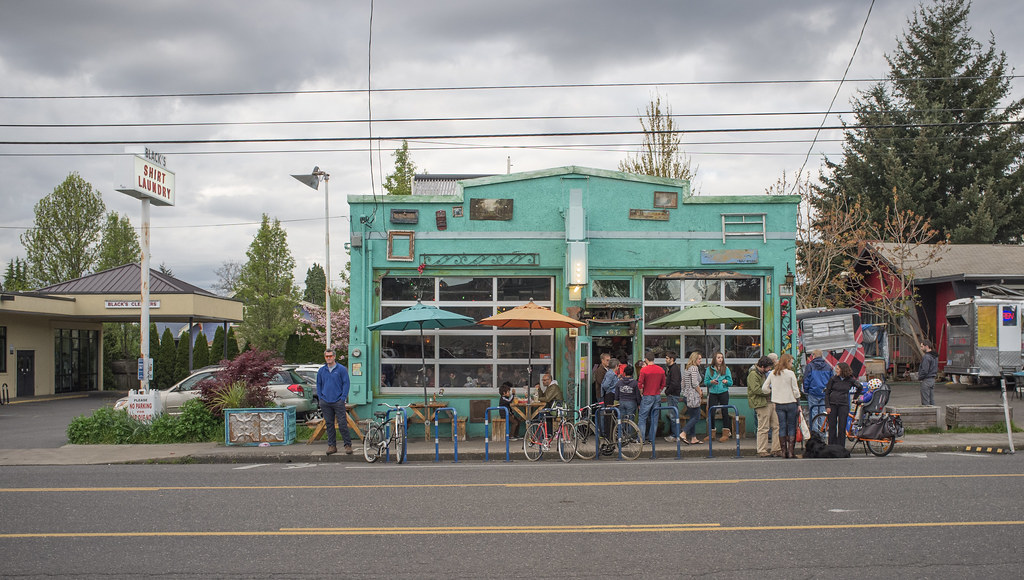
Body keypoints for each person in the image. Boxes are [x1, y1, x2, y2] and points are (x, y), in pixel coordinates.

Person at [763, 353, 801, 459]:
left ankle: (783, 452)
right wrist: (798, 401)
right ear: (787, 362)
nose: (792, 364)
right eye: (791, 362)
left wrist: (773, 392)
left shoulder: (773, 373)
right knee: (792, 426)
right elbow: (796, 391)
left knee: (782, 426)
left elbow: (764, 388)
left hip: (778, 404)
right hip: (791, 402)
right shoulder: (790, 373)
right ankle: (791, 452)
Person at [316, 349, 352, 455]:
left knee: (342, 423)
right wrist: (320, 398)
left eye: (330, 356)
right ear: (325, 357)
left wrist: (343, 398)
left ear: (334, 357)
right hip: (325, 401)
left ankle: (347, 445)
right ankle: (332, 446)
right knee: (329, 424)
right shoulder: (322, 370)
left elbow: (346, 383)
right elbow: (318, 384)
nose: (329, 358)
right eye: (327, 356)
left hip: (338, 401)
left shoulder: (341, 369)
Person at [747, 355, 781, 457]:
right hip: (761, 403)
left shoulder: (763, 373)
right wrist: (769, 392)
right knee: (763, 427)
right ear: (762, 366)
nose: (769, 369)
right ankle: (762, 450)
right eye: (768, 367)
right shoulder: (753, 374)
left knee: (776, 426)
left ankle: (776, 449)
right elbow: (756, 389)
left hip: (770, 402)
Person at [824, 362, 861, 448]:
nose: (835, 370)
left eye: (837, 369)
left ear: (842, 370)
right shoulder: (833, 379)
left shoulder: (850, 380)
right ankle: (831, 447)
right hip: (832, 404)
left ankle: (841, 447)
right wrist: (827, 406)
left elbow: (860, 387)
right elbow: (827, 393)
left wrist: (855, 397)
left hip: (843, 405)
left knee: (842, 427)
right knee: (832, 427)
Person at [704, 351, 734, 442]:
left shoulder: (726, 369)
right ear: (715, 359)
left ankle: (726, 433)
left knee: (724, 411)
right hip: (713, 392)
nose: (720, 359)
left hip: (723, 392)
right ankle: (711, 433)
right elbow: (706, 382)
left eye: (721, 357)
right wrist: (711, 382)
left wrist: (726, 382)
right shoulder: (709, 369)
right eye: (718, 357)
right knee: (711, 412)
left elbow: (731, 382)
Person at [636, 351, 666, 443]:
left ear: (646, 359)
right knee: (654, 418)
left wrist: (641, 392)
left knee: (642, 417)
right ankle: (652, 439)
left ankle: (641, 439)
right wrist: (659, 390)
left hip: (647, 395)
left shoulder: (644, 370)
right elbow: (663, 384)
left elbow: (640, 384)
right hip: (657, 395)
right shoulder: (661, 370)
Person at [802, 350, 833, 433]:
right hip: (824, 393)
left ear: (814, 355)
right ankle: (822, 433)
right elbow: (831, 381)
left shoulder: (810, 366)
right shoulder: (828, 366)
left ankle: (815, 434)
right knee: (823, 413)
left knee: (814, 413)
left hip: (813, 392)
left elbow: (806, 380)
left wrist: (806, 390)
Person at [680, 352, 704, 445]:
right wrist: (700, 392)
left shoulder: (687, 368)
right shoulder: (694, 368)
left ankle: (693, 438)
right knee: (697, 417)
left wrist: (685, 391)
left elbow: (683, 383)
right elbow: (694, 383)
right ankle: (683, 432)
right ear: (694, 359)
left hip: (687, 396)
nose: (700, 361)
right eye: (699, 359)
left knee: (692, 417)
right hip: (693, 396)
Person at [662, 351, 682, 442]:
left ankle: (675, 435)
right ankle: (676, 434)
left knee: (673, 415)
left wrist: (667, 391)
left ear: (672, 359)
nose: (665, 360)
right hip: (673, 394)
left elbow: (675, 383)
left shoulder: (674, 369)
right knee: (673, 415)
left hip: (673, 394)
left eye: (667, 358)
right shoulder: (672, 368)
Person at [919, 339, 938, 405]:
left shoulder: (926, 357)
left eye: (922, 346)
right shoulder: (935, 356)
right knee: (931, 399)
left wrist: (920, 377)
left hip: (926, 380)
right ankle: (934, 413)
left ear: (926, 346)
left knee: (925, 401)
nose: (921, 348)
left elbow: (925, 370)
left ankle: (927, 414)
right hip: (932, 379)